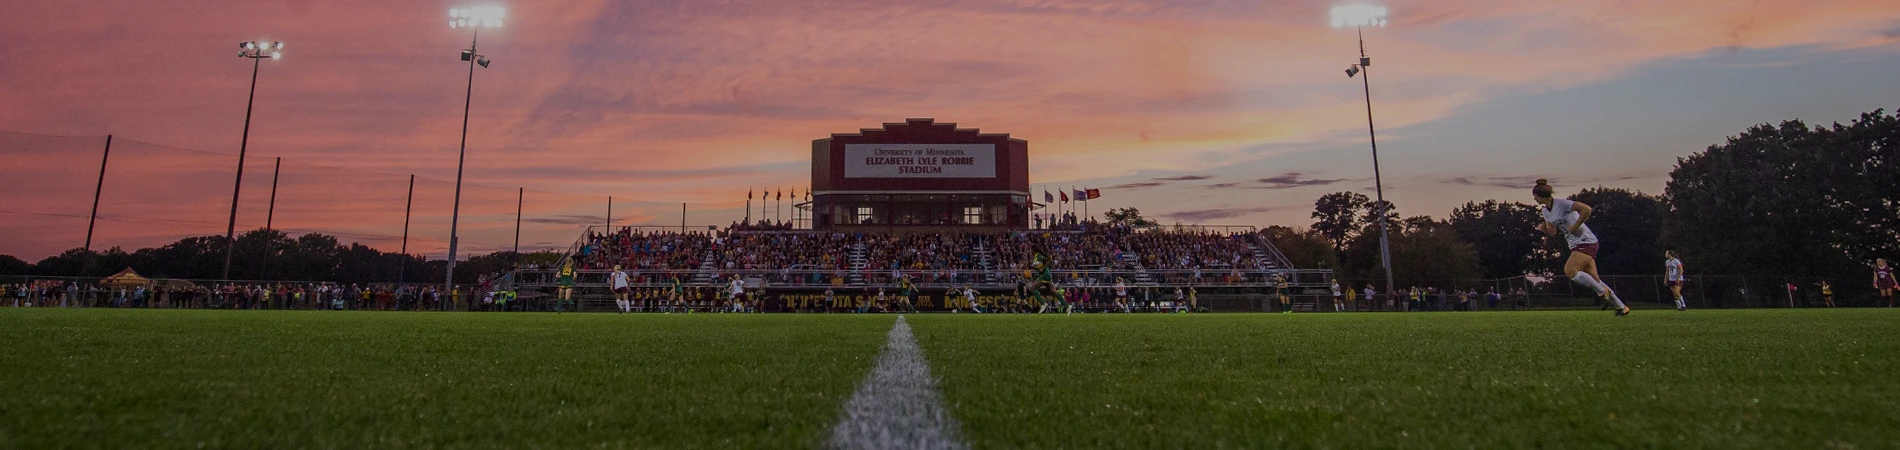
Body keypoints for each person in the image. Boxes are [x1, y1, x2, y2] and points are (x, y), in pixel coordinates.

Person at [1533, 179, 1630, 316]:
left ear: (1541, 196)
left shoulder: (1562, 204)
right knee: (1595, 280)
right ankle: (1622, 307)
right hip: (1574, 245)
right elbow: (1553, 232)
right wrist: (1544, 229)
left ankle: (1602, 292)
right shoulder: (1545, 211)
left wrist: (1575, 226)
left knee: (1570, 270)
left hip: (1585, 240)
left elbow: (1586, 209)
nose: (1534, 199)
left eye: (1535, 196)